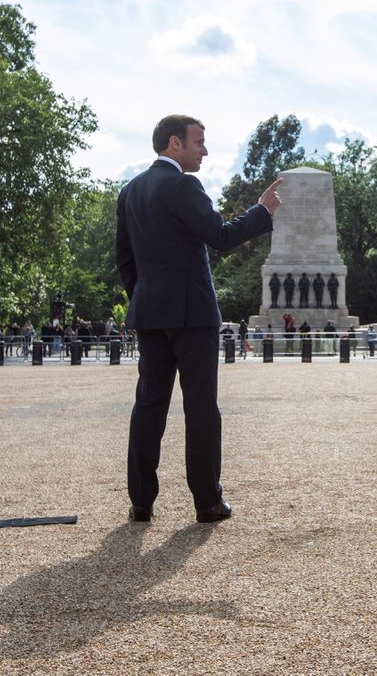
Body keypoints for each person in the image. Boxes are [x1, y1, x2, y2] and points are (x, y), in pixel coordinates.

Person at [116, 114, 282, 524]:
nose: (205, 150)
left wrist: (143, 297)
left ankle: (141, 501)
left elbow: (125, 258)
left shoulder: (130, 191)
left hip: (151, 313)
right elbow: (222, 237)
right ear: (175, 144)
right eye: (199, 142)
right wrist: (261, 212)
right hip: (192, 315)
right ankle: (207, 501)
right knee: (201, 408)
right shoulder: (183, 185)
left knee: (148, 407)